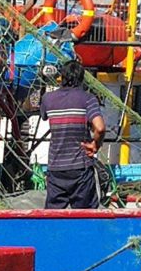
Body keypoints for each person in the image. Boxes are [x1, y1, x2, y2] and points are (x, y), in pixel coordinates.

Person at [40, 60, 106, 209]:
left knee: (53, 217)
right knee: (86, 217)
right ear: (82, 78)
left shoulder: (47, 99)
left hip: (56, 168)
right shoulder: (88, 99)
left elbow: (44, 116)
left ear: (61, 77)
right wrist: (95, 144)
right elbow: (100, 128)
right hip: (80, 168)